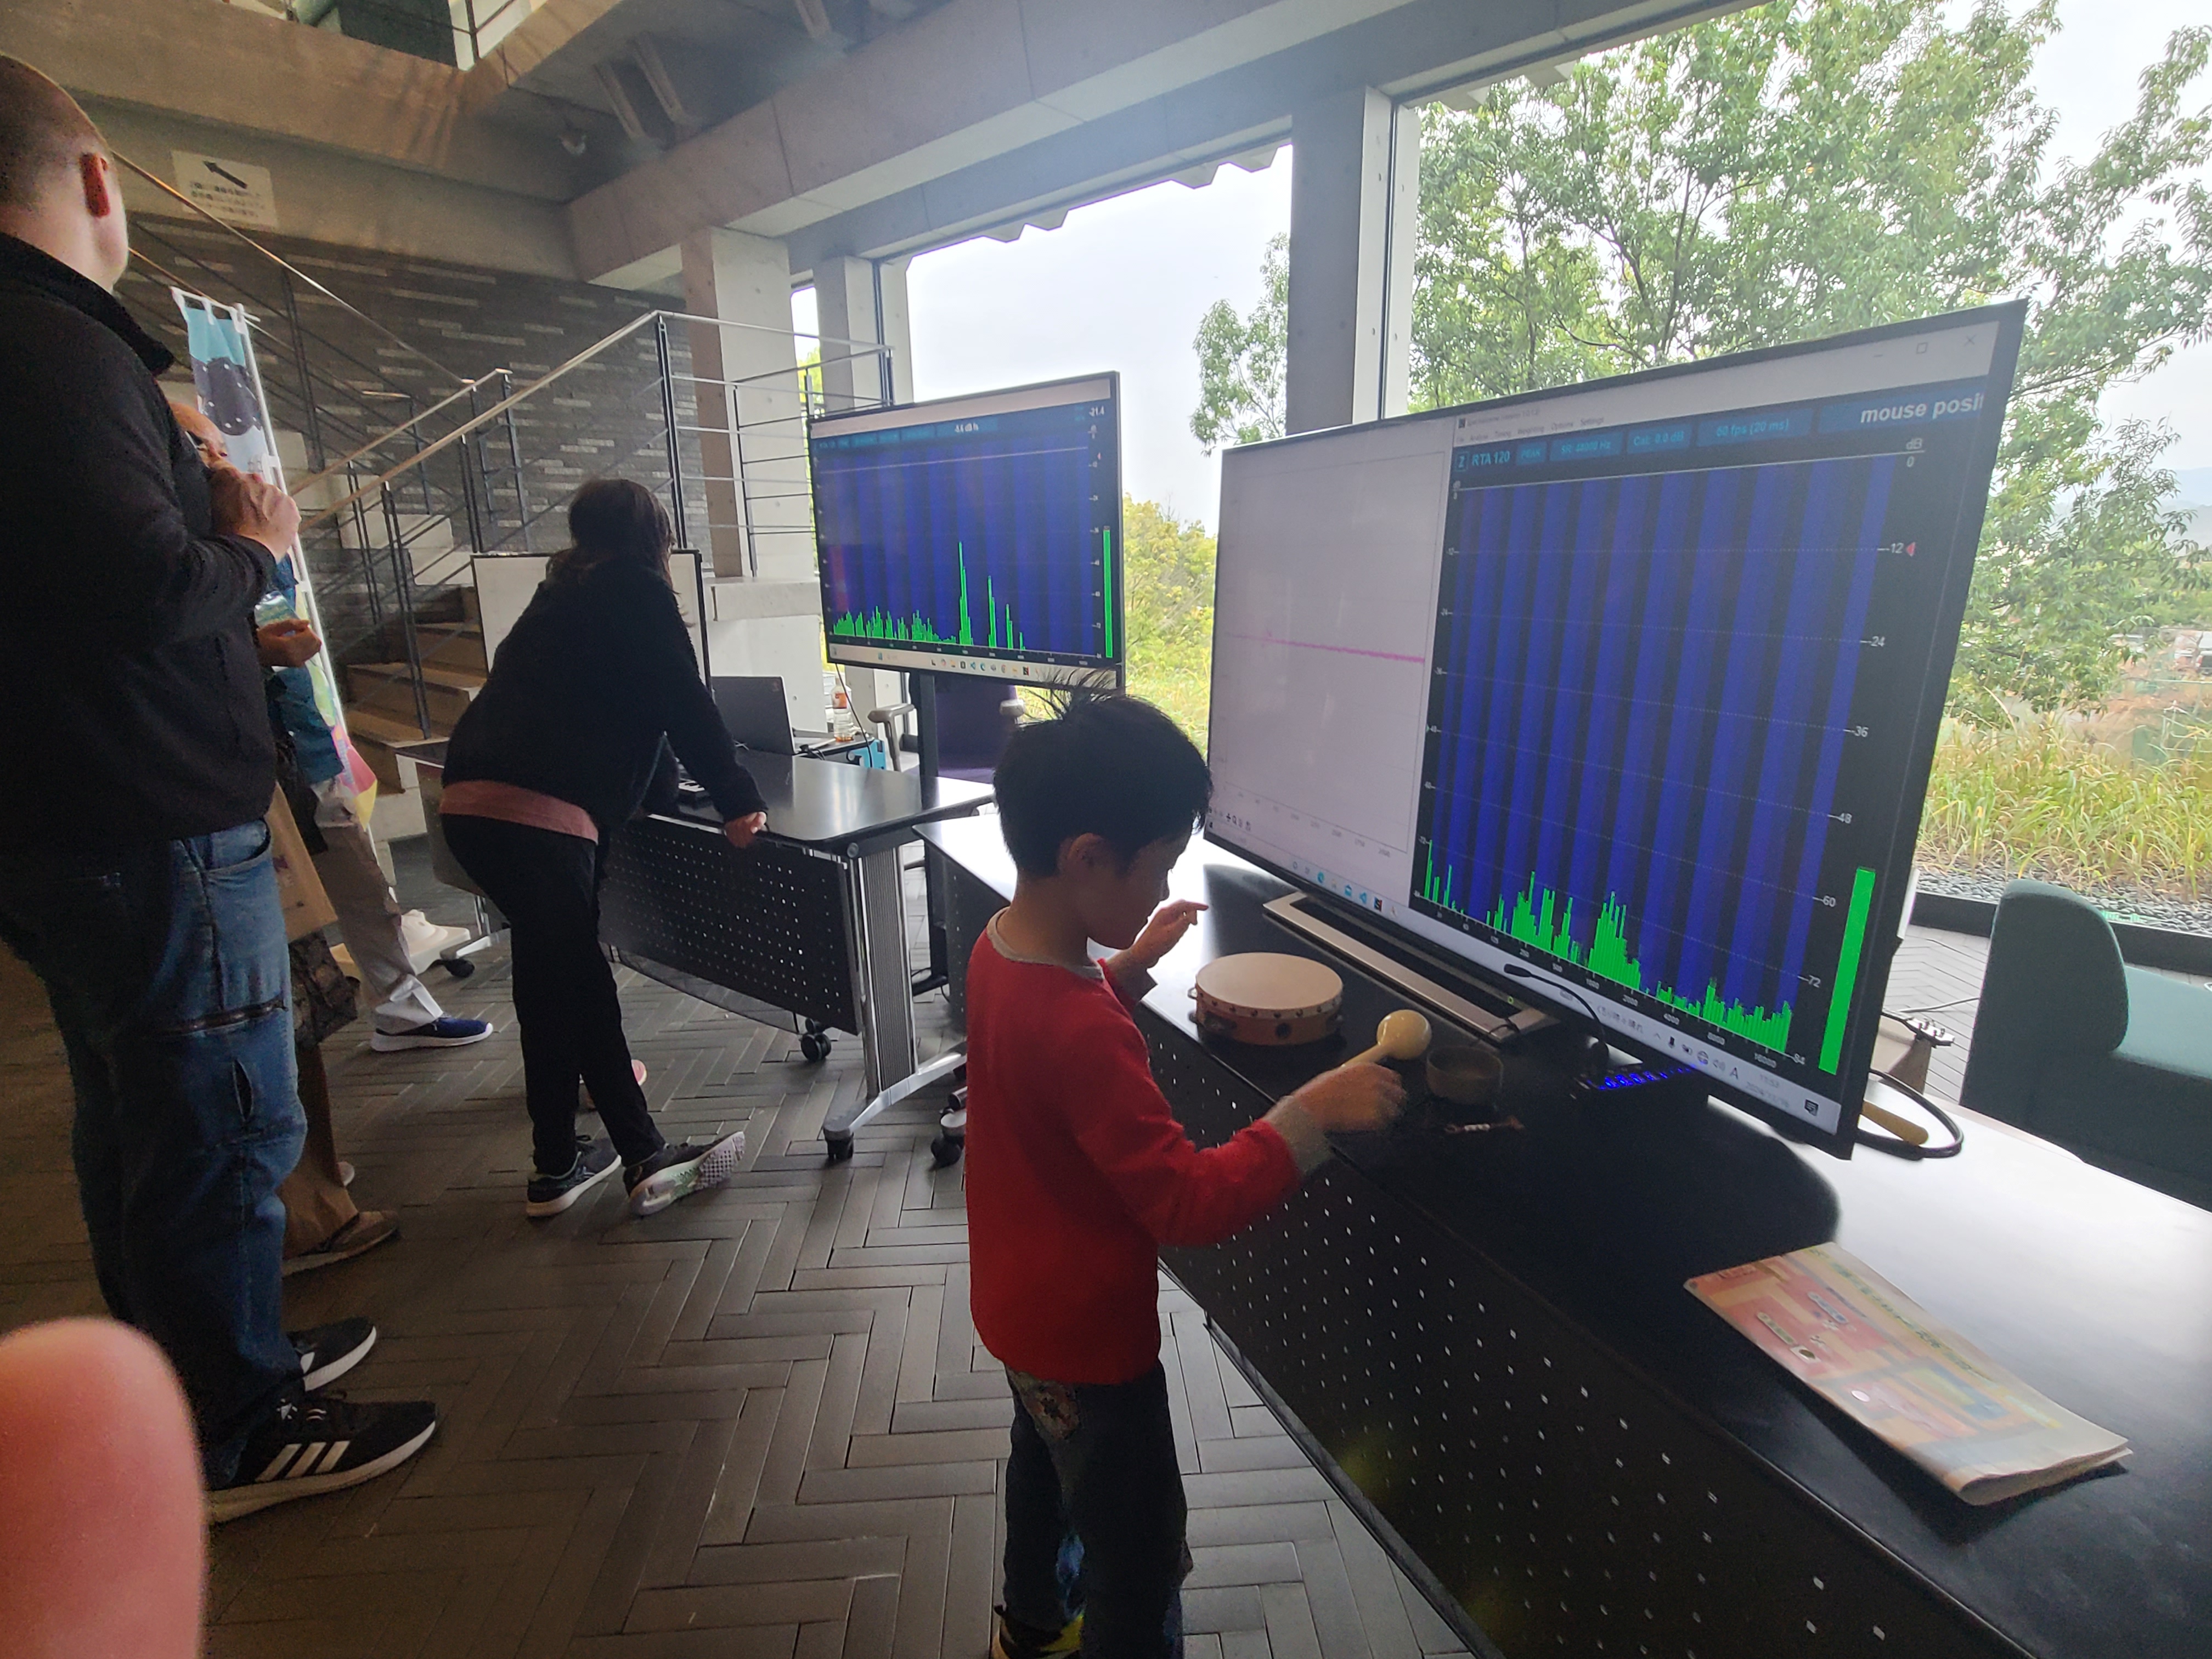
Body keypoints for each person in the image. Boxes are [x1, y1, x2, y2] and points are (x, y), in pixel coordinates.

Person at [0, 56, 437, 1516]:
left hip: (76, 825)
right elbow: (141, 586)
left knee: (142, 1121)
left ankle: (196, 1381)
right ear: (97, 180)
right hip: (155, 827)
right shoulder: (57, 350)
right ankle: (238, 1435)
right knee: (218, 1130)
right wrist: (250, 545)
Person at [966, 697, 1404, 1659]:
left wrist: (1125, 966)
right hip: (1092, 1343)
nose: (1166, 881)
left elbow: (1047, 1043)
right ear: (1088, 858)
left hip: (1018, 1315)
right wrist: (1310, 1114)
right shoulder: (1084, 1031)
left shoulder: (999, 948)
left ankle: (1030, 1628)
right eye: (1158, 862)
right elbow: (1187, 1202)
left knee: (1044, 1469)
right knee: (1136, 1550)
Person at [439, 477, 765, 1218]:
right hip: (539, 819)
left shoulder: (561, 592)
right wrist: (736, 798)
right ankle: (646, 1158)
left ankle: (556, 1162)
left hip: (471, 807)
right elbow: (681, 700)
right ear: (656, 535)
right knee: (581, 987)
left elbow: (622, 707)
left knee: (548, 984)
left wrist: (662, 790)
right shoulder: (638, 589)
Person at [173, 399, 493, 1057]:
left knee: (364, 888)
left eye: (221, 447)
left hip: (305, 746)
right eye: (200, 448)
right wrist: (256, 650)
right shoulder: (175, 554)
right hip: (230, 769)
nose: (221, 463)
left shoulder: (250, 529)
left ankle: (403, 1012)